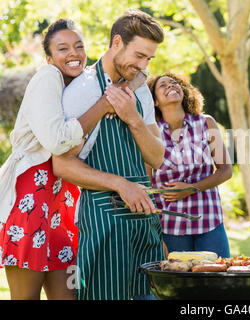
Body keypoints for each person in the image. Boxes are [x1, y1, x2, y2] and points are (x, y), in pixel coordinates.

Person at [51, 10, 166, 300]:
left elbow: (156, 158)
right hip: (104, 222)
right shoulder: (82, 90)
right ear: (117, 42)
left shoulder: (140, 90)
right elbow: (63, 164)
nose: (143, 66)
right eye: (139, 55)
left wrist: (133, 119)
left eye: (149, 59)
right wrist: (120, 184)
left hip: (143, 221)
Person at [0, 19, 116, 300]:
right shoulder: (48, 76)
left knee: (68, 296)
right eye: (63, 48)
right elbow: (56, 140)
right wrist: (102, 107)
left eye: (79, 46)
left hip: (62, 199)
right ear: (49, 57)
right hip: (32, 195)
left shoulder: (78, 88)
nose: (73, 53)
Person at [147, 73, 232, 258]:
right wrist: (154, 231)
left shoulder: (206, 123)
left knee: (219, 282)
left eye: (174, 83)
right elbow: (148, 185)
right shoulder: (151, 133)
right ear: (154, 101)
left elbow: (226, 170)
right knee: (178, 285)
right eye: (163, 85)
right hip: (170, 224)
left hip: (209, 219)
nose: (171, 85)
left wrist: (191, 189)